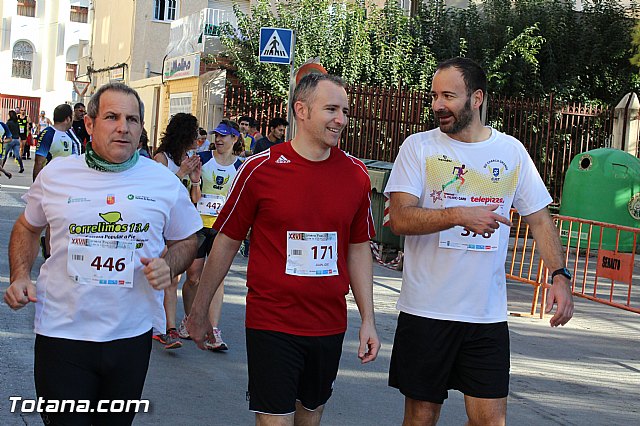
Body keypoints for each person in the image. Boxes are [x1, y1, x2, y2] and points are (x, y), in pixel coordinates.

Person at [384, 57, 574, 426]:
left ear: (476, 98)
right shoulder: (418, 147)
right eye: (435, 95)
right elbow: (401, 218)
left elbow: (539, 218)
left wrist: (560, 275)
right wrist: (458, 214)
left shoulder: (511, 152)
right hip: (427, 312)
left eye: (449, 96)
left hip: (485, 316)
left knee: (491, 421)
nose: (438, 104)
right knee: (421, 418)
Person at [3, 82, 201, 425]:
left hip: (130, 337)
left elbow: (189, 238)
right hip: (62, 334)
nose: (123, 126)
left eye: (132, 119)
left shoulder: (162, 181)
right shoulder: (57, 175)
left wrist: (168, 265)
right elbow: (27, 226)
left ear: (141, 129)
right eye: (112, 117)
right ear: (91, 124)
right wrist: (20, 275)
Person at [187, 73, 380, 425]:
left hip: (328, 324)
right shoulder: (259, 170)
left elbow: (358, 249)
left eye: (345, 111)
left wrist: (368, 319)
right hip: (272, 320)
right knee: (274, 418)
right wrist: (199, 310)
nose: (341, 119)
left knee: (310, 415)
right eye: (332, 109)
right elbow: (226, 241)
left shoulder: (355, 175)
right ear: (301, 110)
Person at [178, 120, 244, 351]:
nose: (219, 139)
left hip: (223, 229)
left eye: (225, 136)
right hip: (197, 225)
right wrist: (194, 181)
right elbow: (190, 195)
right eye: (217, 135)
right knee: (194, 277)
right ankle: (189, 319)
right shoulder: (202, 159)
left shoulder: (241, 167)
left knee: (218, 278)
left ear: (235, 138)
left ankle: (214, 331)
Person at [153, 112, 202, 349]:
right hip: (162, 224)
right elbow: (156, 192)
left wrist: (194, 179)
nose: (198, 139)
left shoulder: (189, 158)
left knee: (177, 277)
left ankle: (167, 326)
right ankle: (168, 329)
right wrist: (181, 172)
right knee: (170, 278)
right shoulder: (161, 159)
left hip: (181, 225)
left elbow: (195, 199)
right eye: (195, 133)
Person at [33, 103, 81, 180]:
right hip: (50, 181)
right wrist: (36, 187)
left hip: (65, 181)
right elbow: (39, 162)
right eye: (72, 116)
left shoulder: (70, 134)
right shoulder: (48, 134)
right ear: (68, 119)